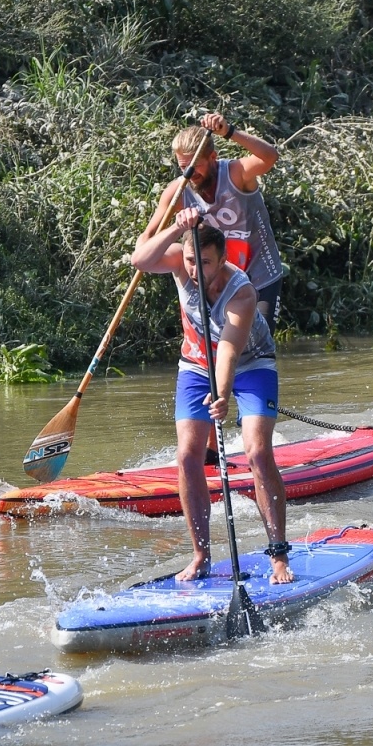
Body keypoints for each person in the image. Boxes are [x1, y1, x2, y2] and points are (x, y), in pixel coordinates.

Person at [131, 211, 295, 585]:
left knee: (257, 452)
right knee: (187, 455)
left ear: (221, 260)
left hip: (251, 362)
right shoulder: (179, 260)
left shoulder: (242, 293)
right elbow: (139, 259)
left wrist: (221, 395)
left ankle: (278, 555)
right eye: (190, 260)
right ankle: (201, 554)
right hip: (194, 363)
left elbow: (229, 352)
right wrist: (177, 226)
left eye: (205, 262)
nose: (196, 270)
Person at [141, 112, 286, 331]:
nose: (190, 174)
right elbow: (146, 240)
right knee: (226, 350)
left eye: (195, 166)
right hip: (217, 280)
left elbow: (270, 157)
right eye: (183, 167)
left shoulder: (236, 173)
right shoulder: (177, 192)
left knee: (258, 344)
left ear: (213, 158)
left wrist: (229, 132)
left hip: (260, 275)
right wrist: (173, 229)